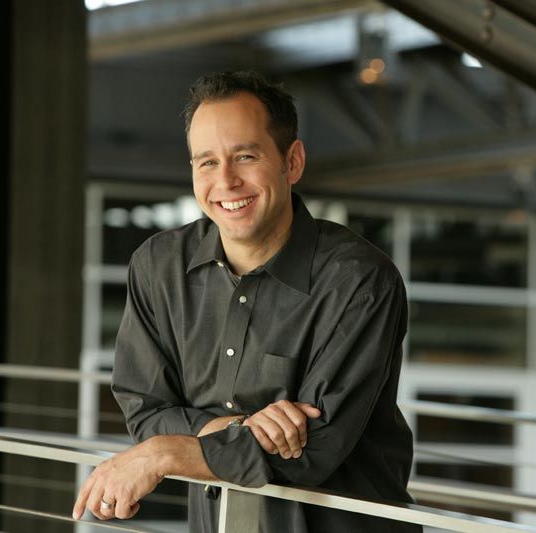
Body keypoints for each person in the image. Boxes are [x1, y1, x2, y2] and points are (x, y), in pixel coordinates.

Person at [71, 71, 418, 532]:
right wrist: (234, 431)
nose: (226, 181)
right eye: (207, 162)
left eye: (245, 156)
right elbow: (145, 409)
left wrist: (167, 452)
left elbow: (314, 450)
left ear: (292, 162)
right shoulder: (159, 267)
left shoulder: (359, 280)